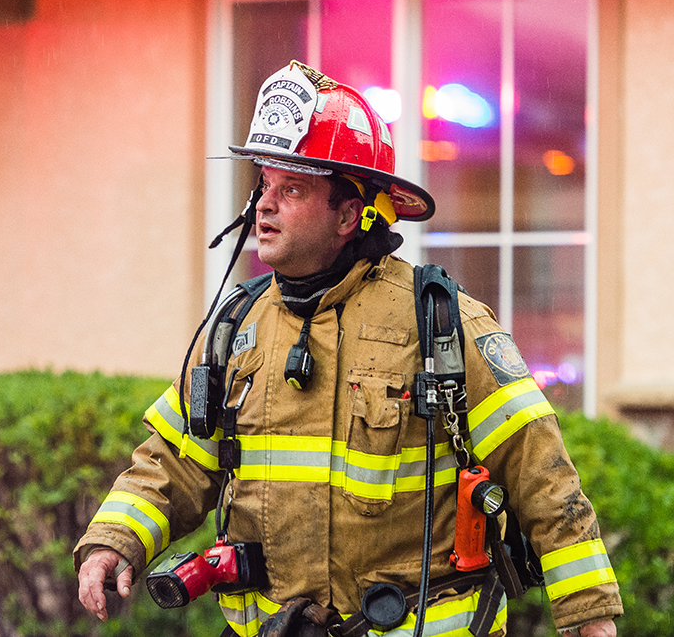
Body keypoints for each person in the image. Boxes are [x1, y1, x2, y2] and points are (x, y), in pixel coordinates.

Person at [75, 61, 622, 637]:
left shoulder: (441, 324)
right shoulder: (236, 329)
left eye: (292, 188)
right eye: (263, 185)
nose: (264, 206)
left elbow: (542, 476)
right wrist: (116, 540)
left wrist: (589, 618)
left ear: (348, 212)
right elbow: (177, 460)